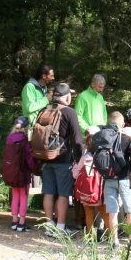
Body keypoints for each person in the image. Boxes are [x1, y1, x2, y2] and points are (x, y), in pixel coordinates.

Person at [40, 83, 85, 236]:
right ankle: (60, 227)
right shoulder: (69, 112)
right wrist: (80, 159)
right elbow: (77, 139)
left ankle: (48, 225)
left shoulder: (45, 110)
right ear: (66, 97)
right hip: (63, 159)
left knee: (48, 192)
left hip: (45, 158)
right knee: (63, 194)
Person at [98, 112, 131, 246]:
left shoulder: (101, 137)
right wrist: (130, 170)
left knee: (112, 211)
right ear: (122, 124)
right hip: (123, 178)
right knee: (130, 209)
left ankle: (114, 240)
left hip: (108, 178)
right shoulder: (125, 139)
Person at [2, 116, 37, 232]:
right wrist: (35, 167)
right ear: (26, 128)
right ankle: (21, 223)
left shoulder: (9, 139)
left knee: (15, 196)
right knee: (24, 197)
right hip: (23, 175)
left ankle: (14, 221)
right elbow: (29, 160)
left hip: (12, 174)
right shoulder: (25, 141)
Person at [72, 126, 108, 239]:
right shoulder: (104, 156)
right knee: (104, 212)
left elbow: (75, 174)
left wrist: (73, 168)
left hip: (87, 191)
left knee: (88, 212)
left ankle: (90, 235)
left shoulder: (85, 158)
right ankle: (111, 234)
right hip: (100, 191)